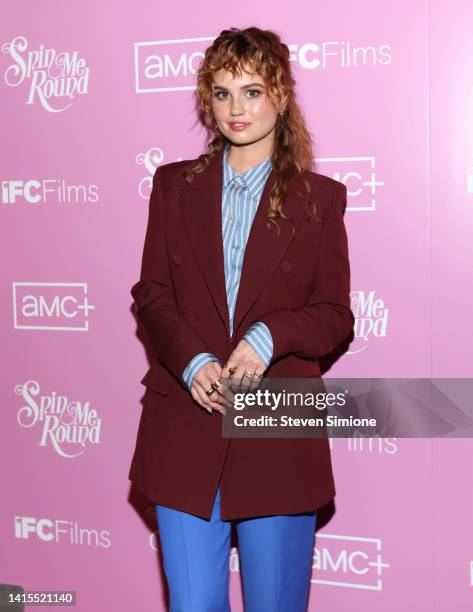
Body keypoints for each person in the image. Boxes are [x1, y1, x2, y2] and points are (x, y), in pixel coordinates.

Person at [129, 26, 354, 611]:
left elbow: (334, 315)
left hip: (277, 423)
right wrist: (190, 360)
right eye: (223, 93)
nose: (237, 109)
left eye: (253, 92)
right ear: (208, 98)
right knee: (193, 604)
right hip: (187, 418)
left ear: (280, 96)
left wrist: (270, 334)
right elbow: (152, 294)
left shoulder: (318, 199)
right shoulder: (173, 187)